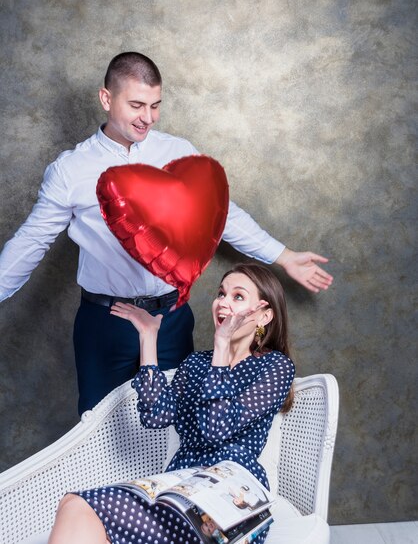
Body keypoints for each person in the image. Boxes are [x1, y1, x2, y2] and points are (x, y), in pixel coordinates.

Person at [0, 51, 331, 415]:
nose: (148, 118)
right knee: (97, 432)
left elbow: (223, 216)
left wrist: (284, 257)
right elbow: (32, 241)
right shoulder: (70, 170)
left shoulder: (178, 152)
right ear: (106, 99)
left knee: (178, 424)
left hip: (171, 319)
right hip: (104, 323)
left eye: (155, 106)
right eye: (137, 105)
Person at [48, 263, 295, 544]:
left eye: (238, 297)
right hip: (178, 486)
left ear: (264, 315)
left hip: (231, 495)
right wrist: (148, 337)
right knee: (75, 505)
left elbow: (216, 428)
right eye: (221, 294)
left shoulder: (275, 366)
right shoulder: (196, 363)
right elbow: (156, 415)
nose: (223, 303)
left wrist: (222, 346)